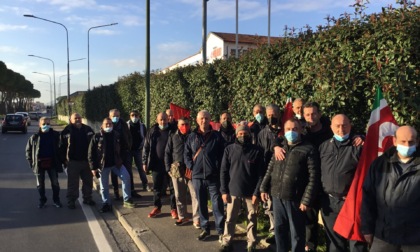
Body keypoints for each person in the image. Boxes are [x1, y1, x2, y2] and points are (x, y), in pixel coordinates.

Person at [260, 118, 320, 252]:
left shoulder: (308, 149)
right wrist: (263, 187)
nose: (291, 132)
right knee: (280, 230)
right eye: (288, 129)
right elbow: (270, 169)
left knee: (297, 234)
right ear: (284, 131)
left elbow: (313, 177)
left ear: (300, 130)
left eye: (294, 129)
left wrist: (306, 199)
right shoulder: (280, 147)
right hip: (276, 196)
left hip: (295, 199)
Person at [361, 125, 420, 252]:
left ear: (417, 141)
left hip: (415, 237)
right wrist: (367, 228)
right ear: (394, 141)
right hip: (384, 235)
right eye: (403, 142)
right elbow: (368, 198)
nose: (407, 145)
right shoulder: (379, 164)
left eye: (411, 142)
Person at [319, 114, 367, 252]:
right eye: (337, 126)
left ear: (350, 126)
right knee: (334, 243)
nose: (341, 129)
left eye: (344, 125)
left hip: (351, 202)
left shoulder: (359, 146)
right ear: (331, 127)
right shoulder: (324, 147)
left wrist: (363, 137)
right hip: (329, 202)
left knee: (356, 242)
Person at [219, 123, 264, 252]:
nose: (243, 136)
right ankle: (227, 242)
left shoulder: (257, 151)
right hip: (233, 191)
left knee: (252, 219)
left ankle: (251, 244)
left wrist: (257, 192)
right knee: (230, 219)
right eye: (240, 134)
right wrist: (223, 191)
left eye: (245, 133)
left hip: (251, 193)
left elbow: (261, 174)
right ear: (236, 135)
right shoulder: (229, 149)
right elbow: (223, 171)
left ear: (249, 134)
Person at [184, 110, 225, 241]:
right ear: (197, 120)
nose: (204, 121)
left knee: (217, 203)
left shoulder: (217, 136)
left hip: (213, 176)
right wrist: (191, 166)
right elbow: (186, 153)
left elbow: (223, 154)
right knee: (201, 203)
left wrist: (218, 168)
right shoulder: (191, 136)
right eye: (202, 118)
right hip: (197, 176)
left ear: (210, 120)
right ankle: (205, 228)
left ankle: (220, 230)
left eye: (207, 118)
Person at [88, 117, 135, 213]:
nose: (108, 126)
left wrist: (121, 159)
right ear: (102, 126)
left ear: (112, 125)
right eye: (106, 124)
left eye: (110, 124)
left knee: (126, 177)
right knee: (104, 186)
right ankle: (106, 204)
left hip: (116, 164)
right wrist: (93, 167)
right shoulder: (96, 137)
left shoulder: (117, 135)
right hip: (103, 166)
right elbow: (90, 153)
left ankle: (127, 199)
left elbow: (123, 148)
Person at [164, 117, 200, 227]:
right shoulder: (173, 136)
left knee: (195, 194)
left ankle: (196, 218)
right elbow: (167, 153)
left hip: (191, 169)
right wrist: (168, 169)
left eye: (187, 124)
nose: (184, 126)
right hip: (177, 170)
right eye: (182, 124)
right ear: (178, 126)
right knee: (179, 195)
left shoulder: (194, 136)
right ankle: (182, 217)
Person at [143, 112, 176, 218]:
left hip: (171, 164)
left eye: (165, 119)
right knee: (157, 187)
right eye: (161, 119)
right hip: (156, 164)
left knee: (172, 188)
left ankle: (174, 209)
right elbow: (146, 147)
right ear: (157, 120)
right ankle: (157, 207)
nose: (163, 121)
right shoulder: (152, 131)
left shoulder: (173, 130)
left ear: (168, 119)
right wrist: (144, 162)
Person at [257, 104, 282, 243]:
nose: (271, 117)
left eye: (274, 114)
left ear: (279, 114)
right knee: (270, 206)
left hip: (284, 174)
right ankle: (273, 231)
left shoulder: (286, 130)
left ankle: (285, 232)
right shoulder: (262, 134)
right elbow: (260, 156)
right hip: (269, 174)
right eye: (269, 115)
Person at [60, 113, 95, 209]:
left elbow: (94, 145)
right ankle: (71, 200)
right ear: (71, 120)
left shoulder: (88, 129)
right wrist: (64, 160)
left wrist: (94, 160)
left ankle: (87, 198)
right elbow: (62, 147)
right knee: (73, 183)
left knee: (88, 181)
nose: (78, 120)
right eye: (75, 118)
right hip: (73, 162)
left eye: (79, 118)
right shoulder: (66, 131)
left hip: (87, 161)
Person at [26, 117, 63, 208]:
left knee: (55, 183)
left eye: (47, 123)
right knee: (40, 184)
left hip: (52, 163)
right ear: (40, 125)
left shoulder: (56, 135)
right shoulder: (34, 137)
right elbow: (28, 151)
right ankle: (42, 200)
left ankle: (56, 200)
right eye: (44, 124)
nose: (46, 125)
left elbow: (61, 148)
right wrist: (32, 163)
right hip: (39, 164)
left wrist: (61, 160)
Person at [109, 109, 140, 199]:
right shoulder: (108, 124)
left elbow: (129, 136)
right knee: (114, 173)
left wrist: (128, 146)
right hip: (113, 153)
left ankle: (132, 190)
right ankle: (116, 192)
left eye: (117, 116)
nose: (116, 118)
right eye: (114, 116)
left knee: (128, 172)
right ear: (110, 116)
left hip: (125, 152)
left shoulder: (123, 124)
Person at [127, 110, 150, 192]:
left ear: (139, 116)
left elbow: (145, 137)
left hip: (138, 150)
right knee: (129, 169)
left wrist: (142, 147)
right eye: (132, 115)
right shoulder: (126, 125)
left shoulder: (142, 126)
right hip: (128, 150)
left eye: (136, 115)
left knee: (141, 168)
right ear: (130, 116)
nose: (134, 117)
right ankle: (131, 187)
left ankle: (145, 184)